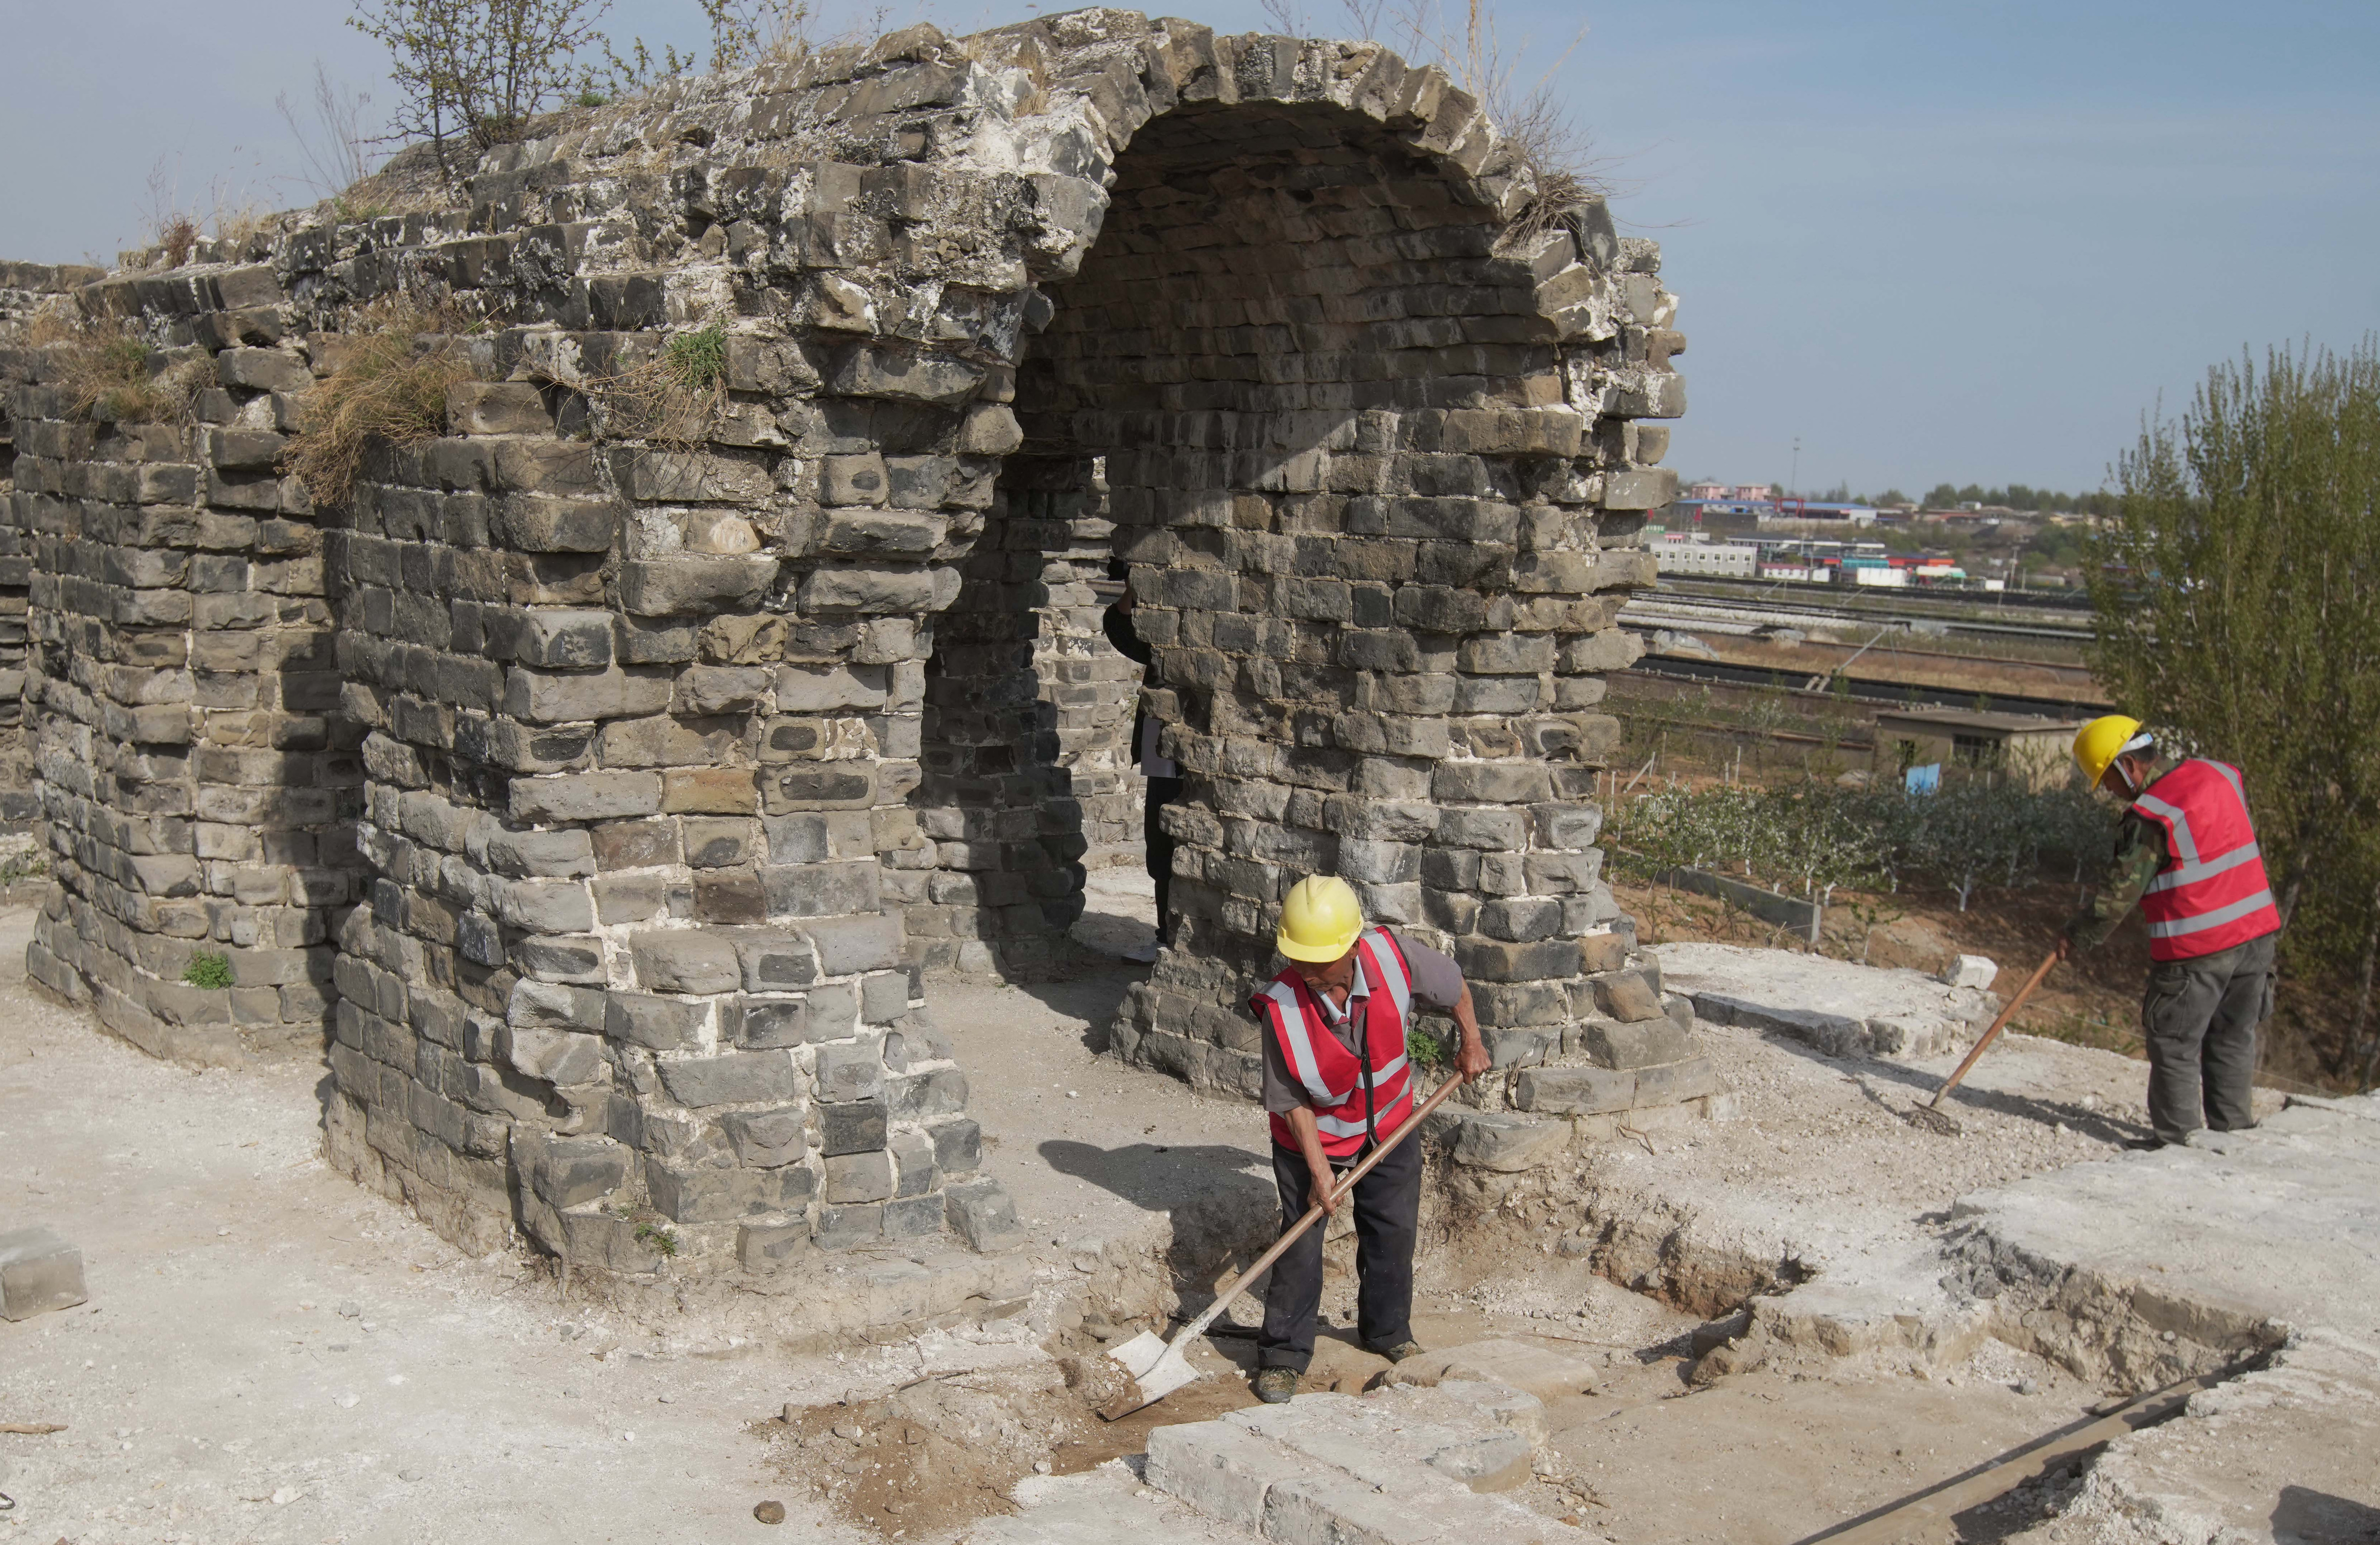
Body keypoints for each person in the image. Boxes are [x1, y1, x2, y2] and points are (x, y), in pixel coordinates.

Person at [1247, 876, 1491, 1403]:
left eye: (1321, 963)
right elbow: (1291, 1101)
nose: (1310, 974)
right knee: (1302, 1240)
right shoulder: (1282, 1006)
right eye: (1301, 961)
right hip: (1312, 1139)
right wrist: (1319, 1174)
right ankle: (1284, 1353)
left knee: (1393, 1229)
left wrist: (1471, 1039)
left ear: (1353, 947)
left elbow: (1454, 988)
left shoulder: (1393, 957)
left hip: (1392, 1124)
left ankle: (1387, 1331)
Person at [2058, 715, 2279, 1149]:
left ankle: (2178, 1147)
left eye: (2106, 780)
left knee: (2174, 1043)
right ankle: (2232, 1141)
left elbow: (2118, 896)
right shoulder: (2220, 774)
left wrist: (2076, 933)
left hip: (2198, 949)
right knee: (2233, 1036)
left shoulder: (2151, 815)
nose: (2107, 791)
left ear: (2128, 767)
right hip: (2256, 938)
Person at [1101, 564, 1177, 963]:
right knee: (1160, 844)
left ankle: (1179, 937)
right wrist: (1136, 585)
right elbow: (1119, 627)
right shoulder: (1157, 640)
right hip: (1160, 754)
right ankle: (1166, 935)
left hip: (1191, 756)